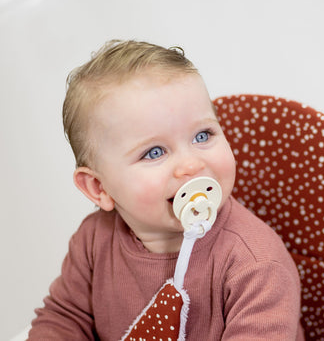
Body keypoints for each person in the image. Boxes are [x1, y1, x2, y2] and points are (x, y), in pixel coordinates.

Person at [28, 40, 304, 340]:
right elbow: (64, 318)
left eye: (203, 135)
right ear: (99, 188)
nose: (190, 164)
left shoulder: (256, 265)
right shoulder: (94, 240)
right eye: (155, 152)